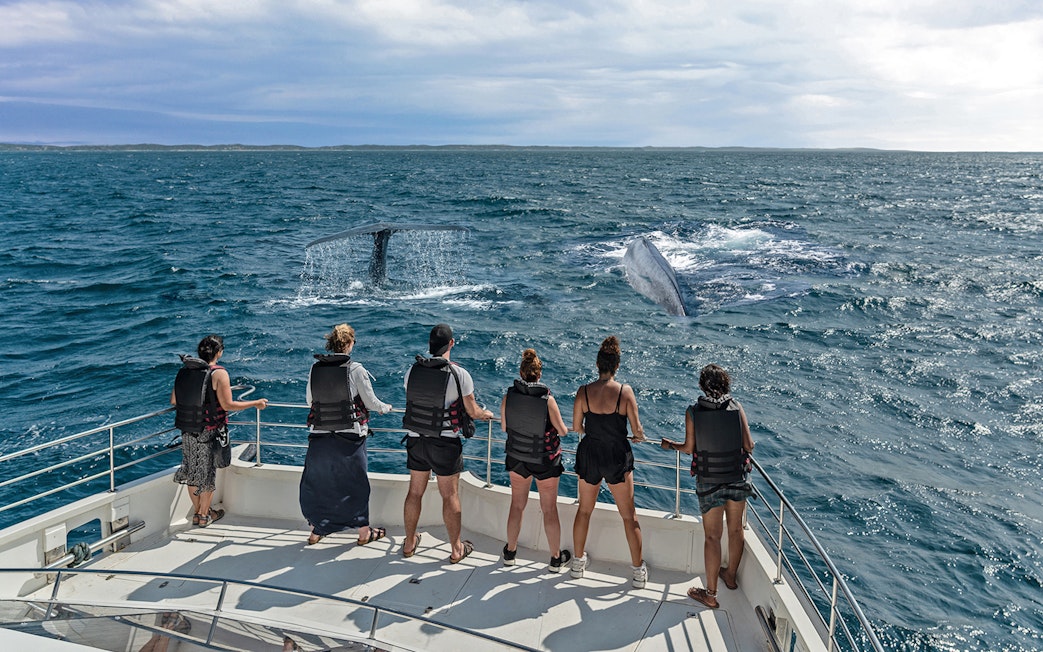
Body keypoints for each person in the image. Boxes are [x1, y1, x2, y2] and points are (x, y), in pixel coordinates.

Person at [661, 363, 756, 609]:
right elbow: (749, 445)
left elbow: (689, 448)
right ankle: (731, 577)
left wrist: (670, 445)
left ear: (702, 386)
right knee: (736, 531)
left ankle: (711, 595)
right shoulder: (737, 407)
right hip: (736, 478)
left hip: (710, 482)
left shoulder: (693, 412)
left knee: (713, 537)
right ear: (726, 384)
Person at [401, 323, 494, 563]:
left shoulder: (412, 371)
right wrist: (485, 414)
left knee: (414, 492)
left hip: (416, 440)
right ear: (451, 344)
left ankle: (410, 542)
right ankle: (456, 549)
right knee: (449, 495)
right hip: (444, 443)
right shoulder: (458, 374)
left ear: (430, 346)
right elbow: (472, 411)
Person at [300, 324, 393, 546]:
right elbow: (371, 402)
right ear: (350, 344)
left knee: (321, 484)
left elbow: (309, 401)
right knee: (356, 484)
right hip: (350, 437)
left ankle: (317, 530)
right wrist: (385, 407)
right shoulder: (356, 369)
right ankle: (363, 532)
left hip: (320, 435)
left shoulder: (316, 368)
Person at [570, 336, 648, 588]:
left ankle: (577, 564)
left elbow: (576, 426)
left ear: (597, 364)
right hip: (616, 455)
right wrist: (638, 436)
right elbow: (637, 430)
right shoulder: (625, 392)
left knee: (584, 510)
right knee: (629, 516)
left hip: (590, 452)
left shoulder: (583, 391)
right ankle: (637, 572)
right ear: (617, 365)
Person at [171, 334, 268, 527]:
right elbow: (228, 404)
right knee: (207, 473)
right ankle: (204, 515)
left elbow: (174, 400)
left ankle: (199, 513)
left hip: (188, 429)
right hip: (209, 430)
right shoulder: (219, 373)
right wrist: (255, 403)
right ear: (219, 352)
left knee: (192, 471)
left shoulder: (185, 371)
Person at [499, 348, 571, 572]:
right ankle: (555, 559)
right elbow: (562, 431)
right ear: (539, 375)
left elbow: (503, 427)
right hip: (544, 460)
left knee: (517, 505)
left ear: (521, 373)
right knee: (549, 509)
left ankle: (510, 553)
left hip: (518, 457)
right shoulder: (547, 401)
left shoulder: (508, 396)